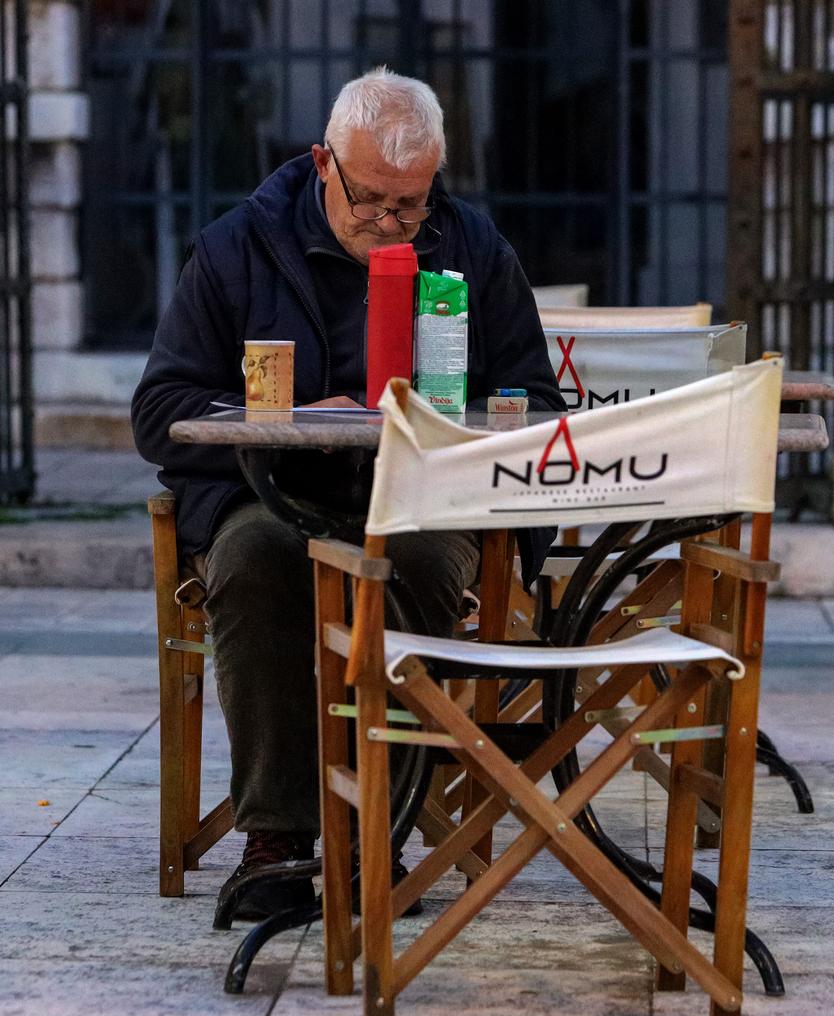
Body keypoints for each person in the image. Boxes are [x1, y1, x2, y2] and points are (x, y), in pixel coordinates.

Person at [132, 68, 563, 919]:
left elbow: (537, 403)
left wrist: (453, 424)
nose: (390, 223)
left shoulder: (473, 248)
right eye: (370, 198)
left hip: (420, 497)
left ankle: (379, 831)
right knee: (256, 560)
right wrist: (292, 416)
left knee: (410, 566)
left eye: (412, 204)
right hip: (271, 493)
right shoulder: (237, 247)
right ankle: (279, 838)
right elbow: (160, 411)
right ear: (323, 163)